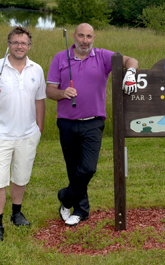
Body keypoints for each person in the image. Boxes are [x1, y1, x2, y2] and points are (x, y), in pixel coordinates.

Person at [46, 23, 139, 227]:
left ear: (94, 38)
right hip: (67, 123)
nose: (84, 40)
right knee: (74, 169)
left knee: (87, 168)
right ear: (74, 36)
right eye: (81, 36)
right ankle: (80, 211)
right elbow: (50, 90)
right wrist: (62, 93)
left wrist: (131, 73)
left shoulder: (103, 56)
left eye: (89, 36)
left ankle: (66, 197)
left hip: (93, 123)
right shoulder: (60, 58)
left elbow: (131, 60)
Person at [0, 26, 46, 243]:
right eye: (15, 42)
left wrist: (38, 129)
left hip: (27, 134)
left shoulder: (37, 70)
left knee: (21, 176)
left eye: (23, 43)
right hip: (0, 134)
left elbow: (40, 100)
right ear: (9, 44)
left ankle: (17, 213)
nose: (19, 46)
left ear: (29, 46)